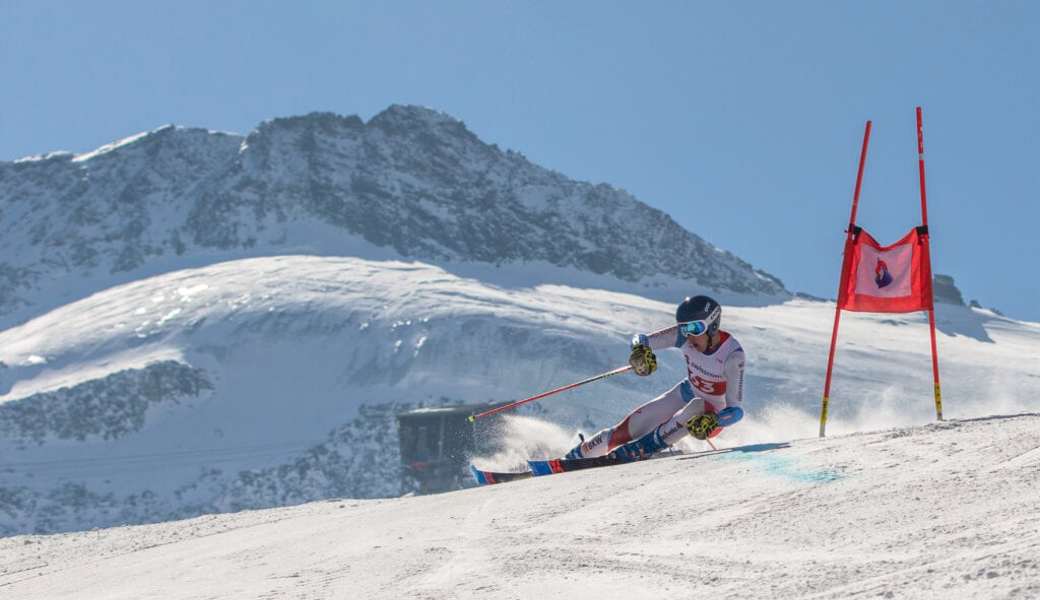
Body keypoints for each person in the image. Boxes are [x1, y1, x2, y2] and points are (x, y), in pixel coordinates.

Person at [564, 295, 745, 460]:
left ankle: (642, 449)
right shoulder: (683, 337)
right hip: (687, 391)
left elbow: (736, 411)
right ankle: (574, 457)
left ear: (712, 325)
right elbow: (640, 339)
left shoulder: (732, 356)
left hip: (710, 414)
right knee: (630, 427)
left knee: (697, 406)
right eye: (684, 328)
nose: (688, 335)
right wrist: (640, 351)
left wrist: (714, 420)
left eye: (695, 328)